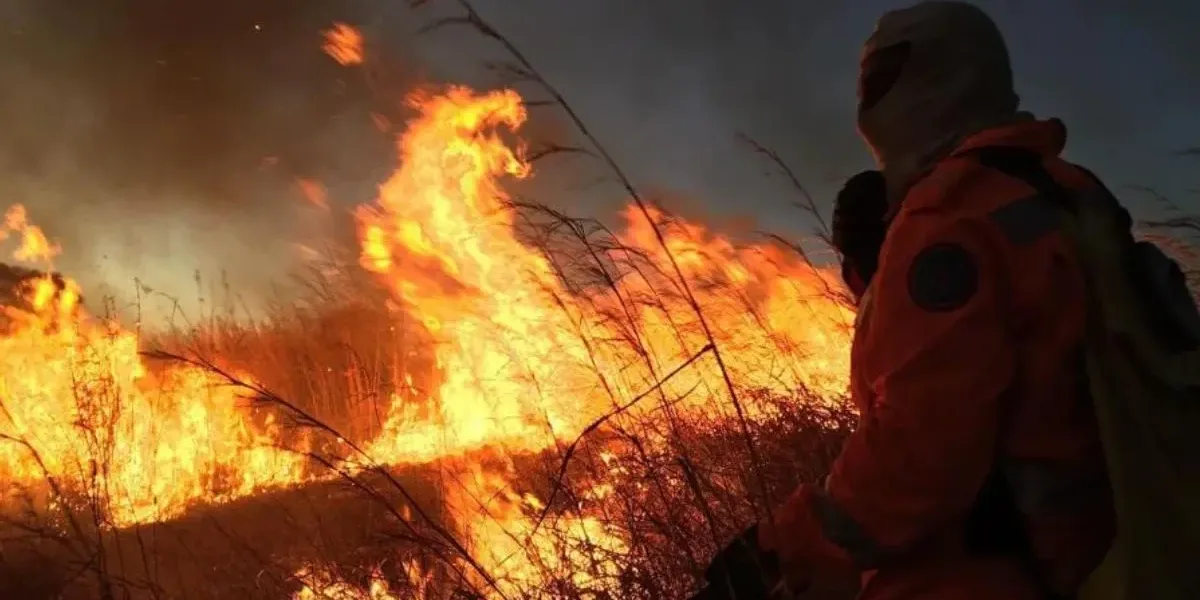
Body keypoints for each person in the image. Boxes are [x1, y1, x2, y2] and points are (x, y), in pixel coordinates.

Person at [729, 2, 1123, 599]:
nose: (871, 99)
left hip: (987, 576)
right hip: (1092, 558)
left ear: (944, 73)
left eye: (885, 77)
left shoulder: (949, 216)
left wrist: (781, 549)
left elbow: (922, 452)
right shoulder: (1066, 193)